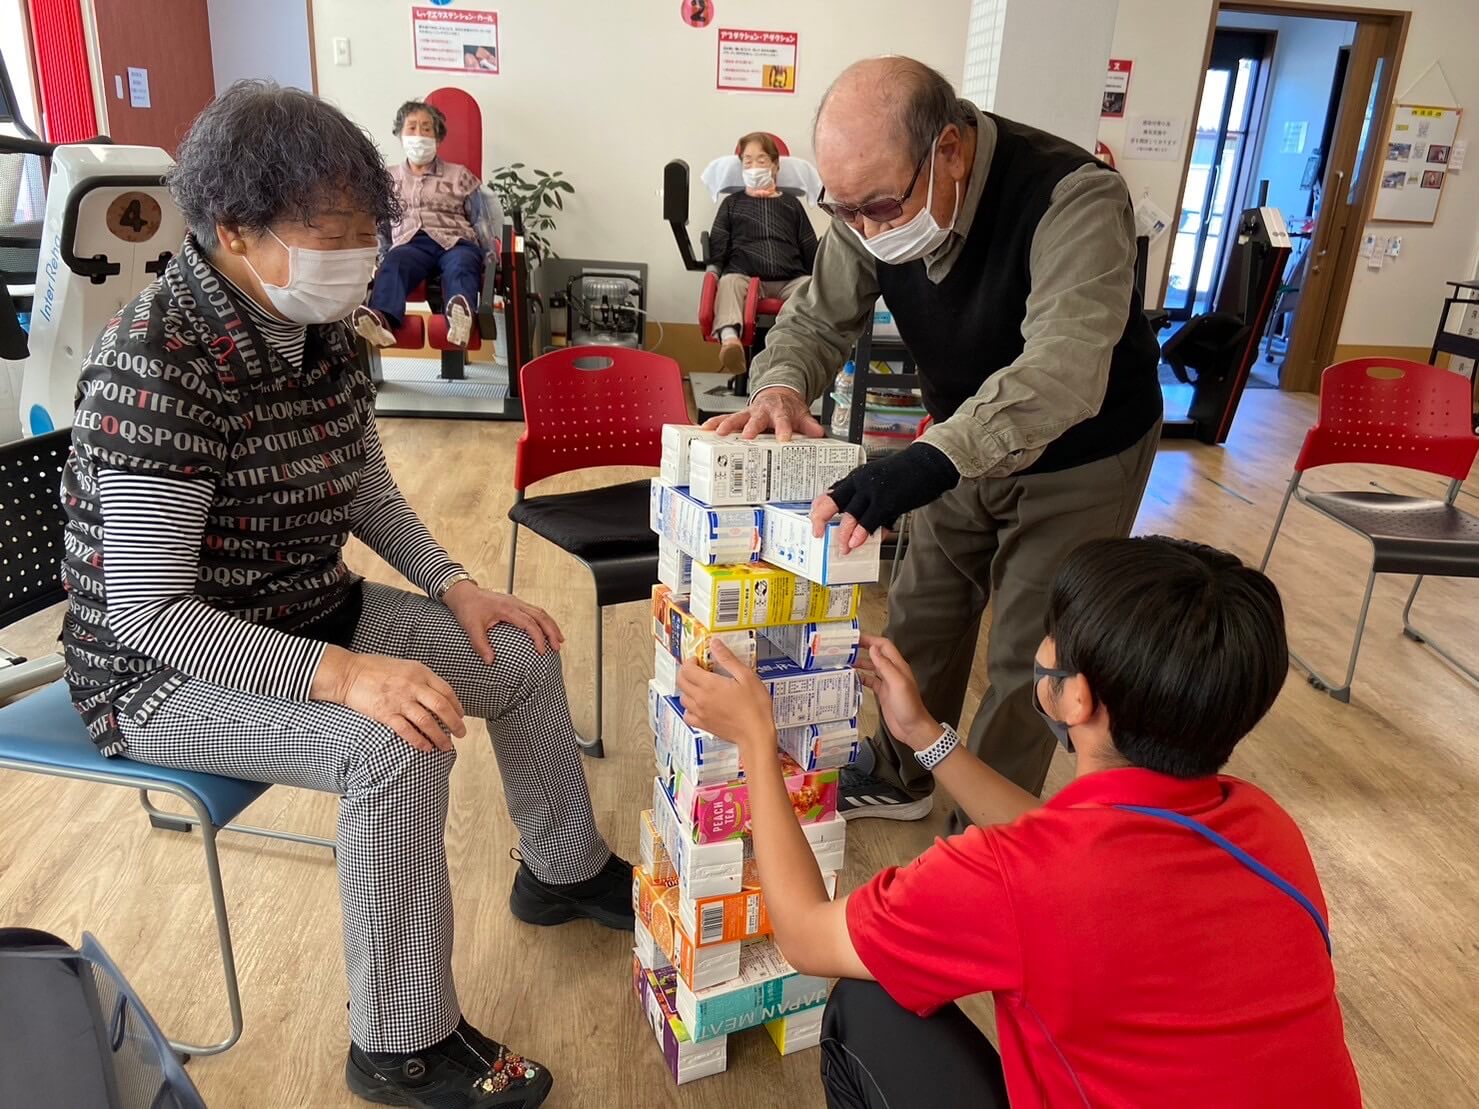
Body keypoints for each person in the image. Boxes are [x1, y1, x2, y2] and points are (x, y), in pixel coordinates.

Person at [60, 81, 628, 1109]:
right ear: (233, 229)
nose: (361, 252)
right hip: (160, 674)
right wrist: (345, 673)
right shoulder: (160, 361)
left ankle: (565, 867)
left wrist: (455, 588)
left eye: (369, 229)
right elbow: (148, 613)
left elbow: (363, 483)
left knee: (523, 648)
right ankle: (401, 1043)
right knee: (392, 740)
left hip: (308, 609)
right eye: (333, 232)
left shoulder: (318, 321)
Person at [677, 536, 1362, 1109]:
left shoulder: (1005, 878)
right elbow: (1075, 844)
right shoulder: (1263, 825)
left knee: (867, 1003)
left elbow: (803, 935)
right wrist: (923, 734)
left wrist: (756, 744)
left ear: (1075, 696)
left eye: (1050, 634)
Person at [708, 58, 1165, 821]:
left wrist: (927, 460)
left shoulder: (1073, 196)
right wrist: (780, 383)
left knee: (1032, 658)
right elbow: (818, 317)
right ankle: (899, 772)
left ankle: (984, 836)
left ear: (948, 151)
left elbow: (1062, 369)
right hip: (960, 434)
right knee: (921, 614)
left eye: (880, 206)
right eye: (842, 209)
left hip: (1083, 447)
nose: (864, 228)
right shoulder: (869, 203)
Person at [353, 99, 500, 351]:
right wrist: (381, 255)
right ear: (400, 134)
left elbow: (480, 219)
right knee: (394, 264)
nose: (419, 134)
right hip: (410, 243)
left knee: (462, 264)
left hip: (455, 241)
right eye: (412, 128)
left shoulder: (460, 175)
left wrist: (490, 257)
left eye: (426, 129)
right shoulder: (387, 179)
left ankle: (461, 318)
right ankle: (382, 321)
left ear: (438, 138)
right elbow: (380, 223)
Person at [708, 131, 818, 377]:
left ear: (775, 166)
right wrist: (713, 271)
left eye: (761, 160)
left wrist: (819, 278)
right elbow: (719, 243)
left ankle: (794, 352)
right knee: (728, 282)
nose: (753, 166)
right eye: (747, 161)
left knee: (809, 288)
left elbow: (808, 244)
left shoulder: (791, 204)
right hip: (746, 276)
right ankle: (730, 343)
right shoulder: (732, 204)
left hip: (789, 278)